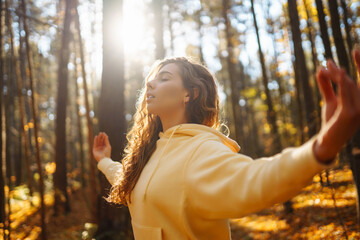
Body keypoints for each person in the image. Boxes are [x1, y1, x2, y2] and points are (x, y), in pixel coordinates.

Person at [92, 49, 360, 240]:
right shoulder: (152, 151)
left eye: (165, 78)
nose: (151, 81)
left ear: (190, 94)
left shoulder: (201, 150)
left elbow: (257, 179)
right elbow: (132, 182)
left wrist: (323, 145)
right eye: (153, 78)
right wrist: (104, 160)